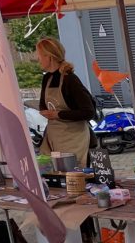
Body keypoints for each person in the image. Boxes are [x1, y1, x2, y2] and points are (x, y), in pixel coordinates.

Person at [36, 38, 96, 167]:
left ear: (49, 57)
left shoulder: (70, 80)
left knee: (74, 178)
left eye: (39, 55)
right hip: (54, 137)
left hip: (74, 139)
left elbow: (89, 112)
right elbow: (42, 104)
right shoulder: (47, 78)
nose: (38, 59)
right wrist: (44, 111)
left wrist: (59, 115)